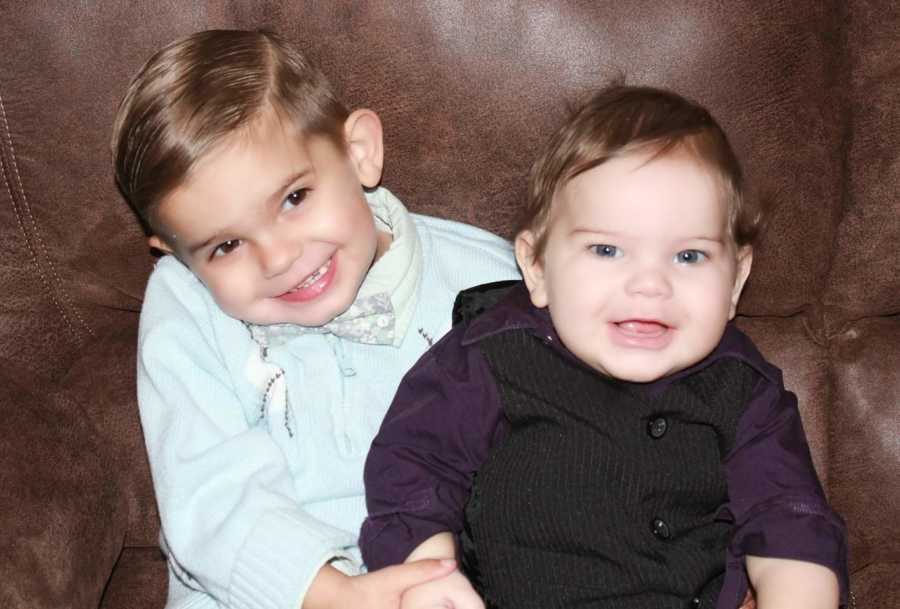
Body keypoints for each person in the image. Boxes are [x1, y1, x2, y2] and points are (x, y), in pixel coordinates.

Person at [361, 85, 849, 609]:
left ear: (735, 280)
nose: (649, 284)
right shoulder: (487, 358)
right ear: (537, 267)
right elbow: (414, 464)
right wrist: (430, 582)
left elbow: (790, 520)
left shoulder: (746, 391)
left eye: (688, 257)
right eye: (607, 249)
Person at [111, 29, 519, 609]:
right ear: (175, 254)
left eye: (294, 198)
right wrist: (332, 594)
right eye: (225, 245)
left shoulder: (488, 283)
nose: (278, 258)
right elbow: (209, 492)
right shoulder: (187, 307)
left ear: (359, 152)